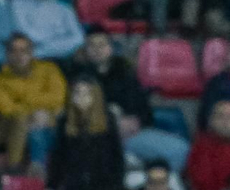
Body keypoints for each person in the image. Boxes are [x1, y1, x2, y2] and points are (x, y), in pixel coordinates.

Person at [77, 26, 191, 171]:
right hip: (97, 139)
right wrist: (110, 123)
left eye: (102, 44)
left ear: (110, 48)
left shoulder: (126, 74)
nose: (97, 49)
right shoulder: (78, 77)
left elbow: (144, 110)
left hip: (131, 136)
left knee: (180, 149)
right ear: (85, 50)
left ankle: (161, 184)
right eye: (92, 45)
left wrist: (136, 122)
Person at [0, 32, 67, 171]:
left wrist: (30, 105)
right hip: (13, 128)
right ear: (7, 54)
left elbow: (57, 97)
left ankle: (37, 170)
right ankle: (15, 169)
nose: (19, 55)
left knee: (42, 126)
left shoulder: (49, 69)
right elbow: (6, 108)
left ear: (32, 52)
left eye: (24, 50)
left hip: (50, 122)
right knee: (25, 122)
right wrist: (34, 113)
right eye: (14, 51)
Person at [47, 74, 125, 190]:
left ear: (96, 96)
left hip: (104, 187)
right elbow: (58, 158)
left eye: (87, 93)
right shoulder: (64, 121)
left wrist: (116, 188)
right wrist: (52, 186)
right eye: (77, 93)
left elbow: (116, 157)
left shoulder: (108, 120)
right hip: (73, 187)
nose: (81, 98)